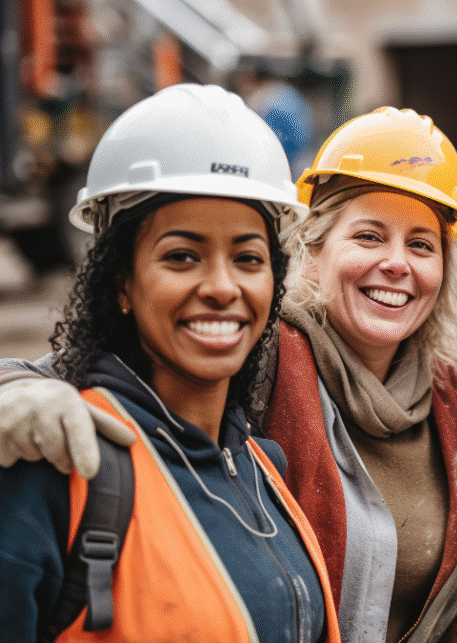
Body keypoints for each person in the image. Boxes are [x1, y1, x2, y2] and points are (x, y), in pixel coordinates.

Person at [0, 105, 457, 643]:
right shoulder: (257, 356)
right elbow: (65, 369)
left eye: (421, 244)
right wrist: (16, 391)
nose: (398, 263)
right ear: (311, 250)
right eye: (368, 237)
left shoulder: (450, 400)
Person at [0, 83, 341, 642]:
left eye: (248, 258)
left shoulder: (262, 470)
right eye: (182, 256)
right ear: (122, 283)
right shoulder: (56, 468)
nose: (222, 286)